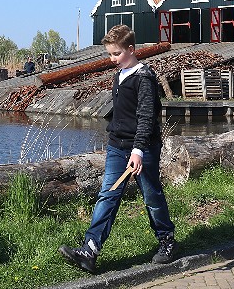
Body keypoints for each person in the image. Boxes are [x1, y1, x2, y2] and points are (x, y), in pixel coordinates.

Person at [59, 24, 176, 273]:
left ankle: (167, 241)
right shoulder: (119, 75)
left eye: (116, 54)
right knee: (108, 195)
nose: (112, 59)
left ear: (131, 49)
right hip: (117, 146)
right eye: (109, 54)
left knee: (151, 196)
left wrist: (138, 150)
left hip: (143, 148)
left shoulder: (144, 77)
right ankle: (90, 250)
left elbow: (146, 117)